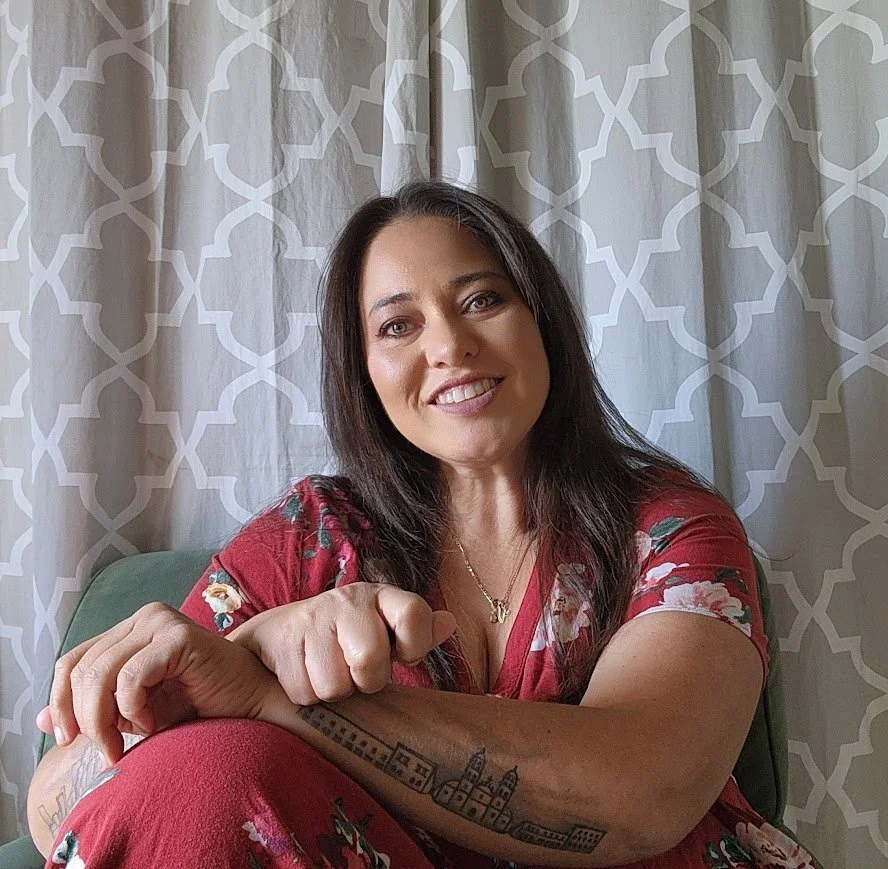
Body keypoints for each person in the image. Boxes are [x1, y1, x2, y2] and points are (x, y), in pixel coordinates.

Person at [26, 181, 819, 868]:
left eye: (482, 299)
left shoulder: (673, 527)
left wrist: (277, 696)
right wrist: (233, 662)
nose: (450, 345)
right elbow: (55, 809)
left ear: (541, 320)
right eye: (399, 326)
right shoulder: (312, 537)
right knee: (199, 775)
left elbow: (648, 788)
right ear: (364, 371)